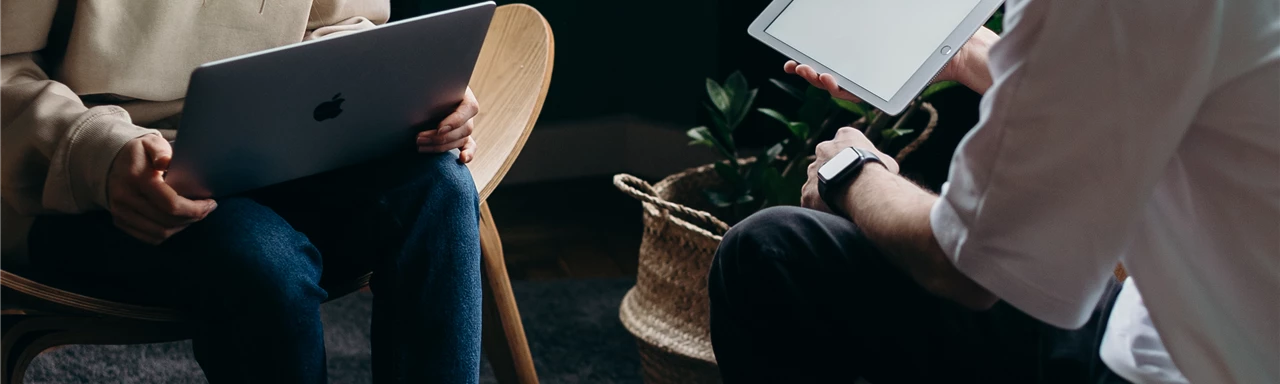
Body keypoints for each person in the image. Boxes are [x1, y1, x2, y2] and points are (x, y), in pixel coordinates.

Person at [709, 0, 1278, 383]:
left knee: (770, 251)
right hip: (1192, 333)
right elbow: (1148, 101)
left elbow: (966, 266)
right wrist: (966, 54)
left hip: (1182, 368)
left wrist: (852, 174)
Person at [0, 1, 485, 383]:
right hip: (80, 184)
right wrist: (98, 156)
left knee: (437, 185)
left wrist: (404, 88)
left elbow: (343, 28)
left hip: (276, 147)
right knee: (261, 258)